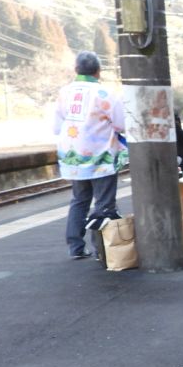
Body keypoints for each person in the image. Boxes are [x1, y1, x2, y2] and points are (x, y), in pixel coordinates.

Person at [53, 51, 125, 259]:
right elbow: (121, 124)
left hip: (73, 157)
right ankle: (101, 249)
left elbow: (57, 126)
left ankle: (75, 247)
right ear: (98, 71)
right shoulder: (105, 94)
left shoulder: (64, 92)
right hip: (101, 157)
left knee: (79, 200)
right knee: (104, 204)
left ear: (76, 69)